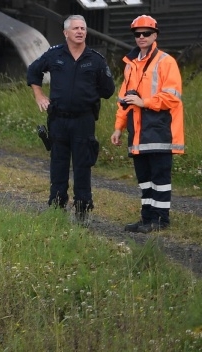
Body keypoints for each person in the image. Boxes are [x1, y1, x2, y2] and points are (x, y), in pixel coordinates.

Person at [27, 14, 115, 221]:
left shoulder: (95, 60)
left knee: (83, 164)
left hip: (83, 120)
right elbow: (33, 72)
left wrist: (86, 95)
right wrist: (39, 95)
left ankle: (82, 208)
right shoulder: (54, 55)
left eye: (83, 29)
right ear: (66, 33)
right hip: (58, 119)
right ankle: (57, 206)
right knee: (58, 163)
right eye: (75, 28)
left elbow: (108, 89)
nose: (80, 32)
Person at [112, 15, 186, 233]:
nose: (141, 37)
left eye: (146, 33)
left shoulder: (166, 62)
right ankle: (146, 219)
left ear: (155, 35)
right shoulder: (130, 65)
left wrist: (145, 102)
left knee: (160, 178)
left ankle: (161, 220)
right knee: (144, 179)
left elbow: (173, 96)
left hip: (160, 129)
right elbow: (123, 100)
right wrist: (118, 127)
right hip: (137, 131)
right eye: (137, 34)